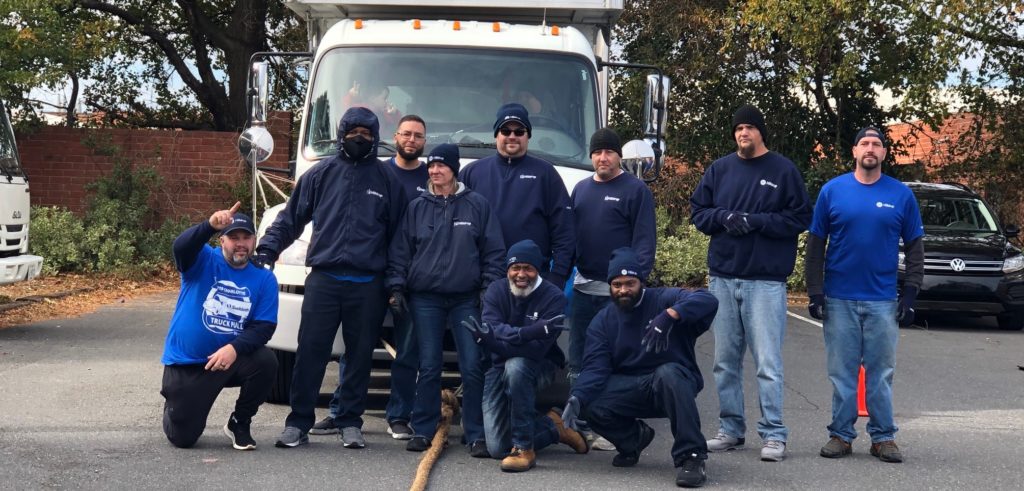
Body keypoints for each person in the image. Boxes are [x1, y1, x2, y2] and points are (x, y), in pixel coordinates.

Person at [255, 107, 406, 449]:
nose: (359, 138)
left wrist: (396, 283)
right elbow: (291, 218)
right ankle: (298, 422)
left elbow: (399, 240)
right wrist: (268, 249)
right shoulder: (321, 175)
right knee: (311, 351)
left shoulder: (388, 181)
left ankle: (350, 421)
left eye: (366, 133)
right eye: (352, 131)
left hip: (368, 285)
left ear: (375, 137)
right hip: (324, 279)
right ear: (341, 134)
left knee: (359, 356)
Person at [690, 104, 812, 462]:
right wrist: (725, 217)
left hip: (765, 281)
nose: (743, 134)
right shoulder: (720, 169)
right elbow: (699, 211)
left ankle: (774, 434)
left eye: (749, 128)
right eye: (738, 128)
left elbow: (800, 217)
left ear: (761, 132)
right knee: (725, 361)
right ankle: (731, 429)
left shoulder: (782, 170)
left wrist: (757, 222)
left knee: (767, 363)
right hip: (724, 279)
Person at [805, 126, 924, 463]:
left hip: (883, 300)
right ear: (855, 151)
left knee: (880, 373)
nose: (870, 148)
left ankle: (883, 438)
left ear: (884, 153)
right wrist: (815, 292)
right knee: (842, 373)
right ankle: (841, 436)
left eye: (877, 144)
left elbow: (916, 249)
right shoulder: (832, 191)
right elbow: (815, 247)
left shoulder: (901, 195)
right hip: (839, 298)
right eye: (864, 143)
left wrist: (910, 294)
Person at [310, 114, 429, 440]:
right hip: (374, 278)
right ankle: (340, 413)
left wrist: (400, 280)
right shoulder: (378, 173)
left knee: (407, 352)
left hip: (412, 280)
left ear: (424, 142)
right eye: (406, 134)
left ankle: (399, 416)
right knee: (356, 348)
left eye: (418, 136)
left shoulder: (430, 176)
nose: (411, 140)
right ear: (395, 136)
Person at [561, 247, 718, 488]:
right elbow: (596, 368)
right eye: (617, 284)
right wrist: (577, 397)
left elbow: (708, 300)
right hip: (632, 388)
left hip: (674, 384)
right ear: (610, 286)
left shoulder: (663, 298)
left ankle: (692, 457)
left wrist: (670, 315)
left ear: (641, 282)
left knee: (668, 373)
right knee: (587, 400)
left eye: (630, 283)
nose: (623, 290)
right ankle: (633, 439)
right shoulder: (603, 321)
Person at [386, 143, 506, 456]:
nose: (435, 171)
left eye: (442, 166)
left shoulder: (477, 205)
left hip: (466, 299)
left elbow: (493, 252)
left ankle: (476, 433)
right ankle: (423, 428)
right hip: (425, 299)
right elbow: (401, 251)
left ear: (454, 169)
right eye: (432, 166)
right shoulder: (417, 207)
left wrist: (488, 289)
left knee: (472, 366)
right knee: (428, 366)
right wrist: (396, 287)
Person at [159, 203, 279, 451]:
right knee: (183, 438)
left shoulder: (264, 278)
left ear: (255, 240)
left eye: (246, 237)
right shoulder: (202, 259)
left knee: (266, 361)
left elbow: (264, 326)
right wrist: (209, 226)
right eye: (234, 238)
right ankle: (175, 403)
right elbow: (180, 247)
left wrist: (234, 349)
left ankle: (239, 422)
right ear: (222, 240)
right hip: (187, 363)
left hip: (227, 361)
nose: (241, 244)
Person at [464, 239, 589, 472]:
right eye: (515, 268)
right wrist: (530, 331)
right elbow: (492, 328)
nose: (521, 274)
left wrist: (496, 340)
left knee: (517, 366)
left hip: (539, 366)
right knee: (497, 448)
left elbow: (535, 351)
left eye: (528, 268)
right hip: (498, 367)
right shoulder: (495, 290)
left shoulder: (554, 297)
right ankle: (554, 426)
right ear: (508, 269)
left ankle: (523, 447)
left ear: (538, 270)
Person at [568, 127, 656, 385]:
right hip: (584, 289)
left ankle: (615, 413)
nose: (602, 157)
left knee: (617, 354)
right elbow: (571, 238)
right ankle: (578, 409)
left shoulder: (636, 190)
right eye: (597, 152)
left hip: (617, 292)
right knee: (578, 356)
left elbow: (644, 242)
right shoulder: (580, 189)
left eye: (609, 152)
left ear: (619, 156)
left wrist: (632, 285)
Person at [459, 103, 575, 290]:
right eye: (505, 130)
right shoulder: (471, 173)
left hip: (532, 279)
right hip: (482, 281)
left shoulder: (546, 173)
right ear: (496, 135)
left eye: (519, 131)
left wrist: (558, 276)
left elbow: (564, 230)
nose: (512, 136)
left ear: (528, 136)